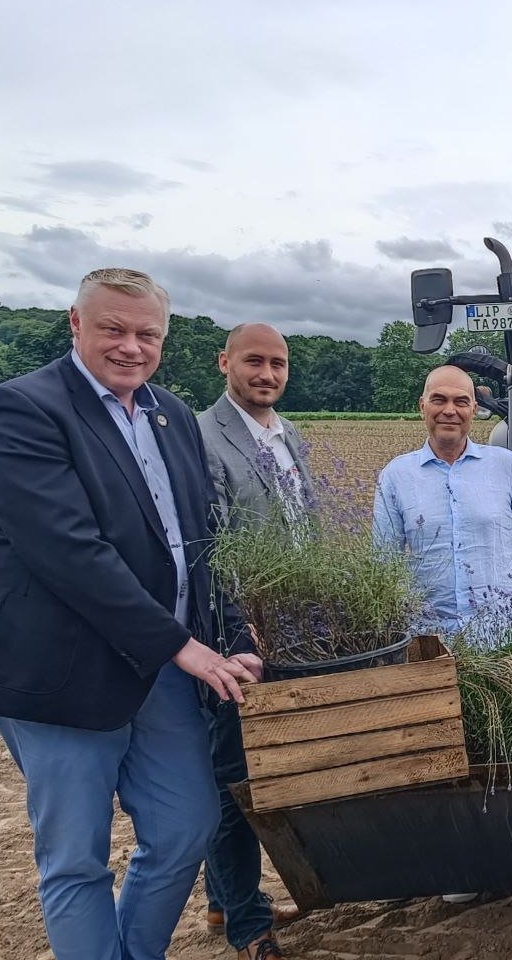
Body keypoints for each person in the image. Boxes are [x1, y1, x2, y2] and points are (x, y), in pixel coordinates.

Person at [0, 268, 260, 960]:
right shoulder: (23, 409)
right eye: (112, 329)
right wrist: (182, 646)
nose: (130, 346)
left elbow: (201, 540)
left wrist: (231, 634)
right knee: (75, 859)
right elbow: (69, 551)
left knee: (187, 824)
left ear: (165, 337)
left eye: (146, 333)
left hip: (159, 668)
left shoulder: (170, 414)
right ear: (75, 324)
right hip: (60, 673)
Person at [195, 322, 312, 959]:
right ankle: (247, 924)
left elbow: (306, 529)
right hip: (237, 637)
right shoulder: (203, 436)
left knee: (267, 768)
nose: (267, 374)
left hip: (294, 625)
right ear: (225, 363)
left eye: (278, 364)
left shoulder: (290, 435)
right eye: (254, 362)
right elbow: (209, 546)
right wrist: (240, 625)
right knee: (235, 777)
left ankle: (222, 902)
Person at [373, 363, 512, 633]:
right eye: (439, 400)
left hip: (499, 634)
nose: (450, 410)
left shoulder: (505, 465)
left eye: (461, 401)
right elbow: (384, 558)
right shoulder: (396, 476)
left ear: (473, 409)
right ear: (422, 406)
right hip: (429, 637)